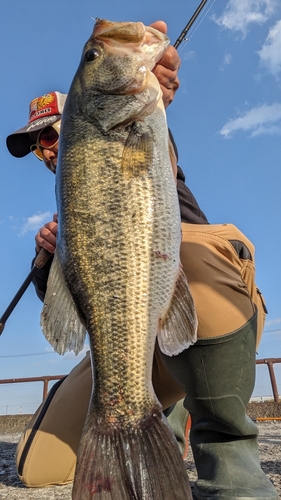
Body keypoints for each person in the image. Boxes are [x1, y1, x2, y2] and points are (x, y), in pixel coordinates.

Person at [6, 22, 277, 500]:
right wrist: (50, 259)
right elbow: (67, 318)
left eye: (50, 134)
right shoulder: (68, 207)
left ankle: (230, 460)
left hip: (208, 314)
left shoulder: (139, 138)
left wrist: (156, 104)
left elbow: (161, 188)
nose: (47, 149)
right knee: (36, 466)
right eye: (37, 146)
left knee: (193, 253)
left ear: (75, 116)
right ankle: (150, 421)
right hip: (130, 349)